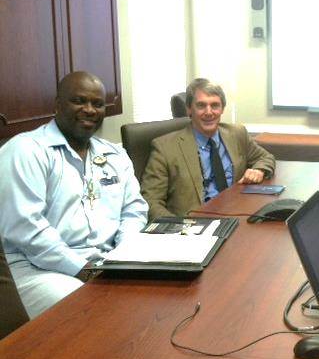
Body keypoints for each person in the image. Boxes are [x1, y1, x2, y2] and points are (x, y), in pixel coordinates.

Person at [0, 71, 148, 318]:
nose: (89, 110)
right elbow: (27, 229)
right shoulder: (26, 151)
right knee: (96, 309)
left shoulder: (114, 155)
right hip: (38, 269)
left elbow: (134, 209)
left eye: (97, 104)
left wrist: (124, 256)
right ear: (57, 105)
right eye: (79, 101)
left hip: (105, 261)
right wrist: (85, 269)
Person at [141, 78, 276, 220]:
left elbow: (265, 157)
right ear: (189, 109)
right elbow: (150, 201)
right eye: (201, 105)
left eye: (215, 105)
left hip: (236, 214)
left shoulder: (237, 134)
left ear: (222, 109)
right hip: (194, 223)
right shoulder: (165, 147)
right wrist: (178, 228)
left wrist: (259, 170)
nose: (209, 112)